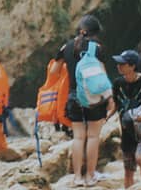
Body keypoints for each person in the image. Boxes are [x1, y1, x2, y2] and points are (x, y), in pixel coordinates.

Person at [57, 14, 114, 187]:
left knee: (78, 138)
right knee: (93, 136)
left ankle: (77, 178)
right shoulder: (97, 48)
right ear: (95, 33)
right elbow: (102, 75)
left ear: (81, 30)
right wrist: (110, 98)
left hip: (74, 96)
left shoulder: (65, 47)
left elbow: (53, 71)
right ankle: (90, 176)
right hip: (94, 97)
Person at [110, 49, 141, 187]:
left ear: (132, 66)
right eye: (118, 63)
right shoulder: (118, 83)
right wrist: (105, 117)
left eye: (122, 64)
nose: (118, 66)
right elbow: (115, 104)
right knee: (128, 168)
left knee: (140, 158)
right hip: (127, 129)